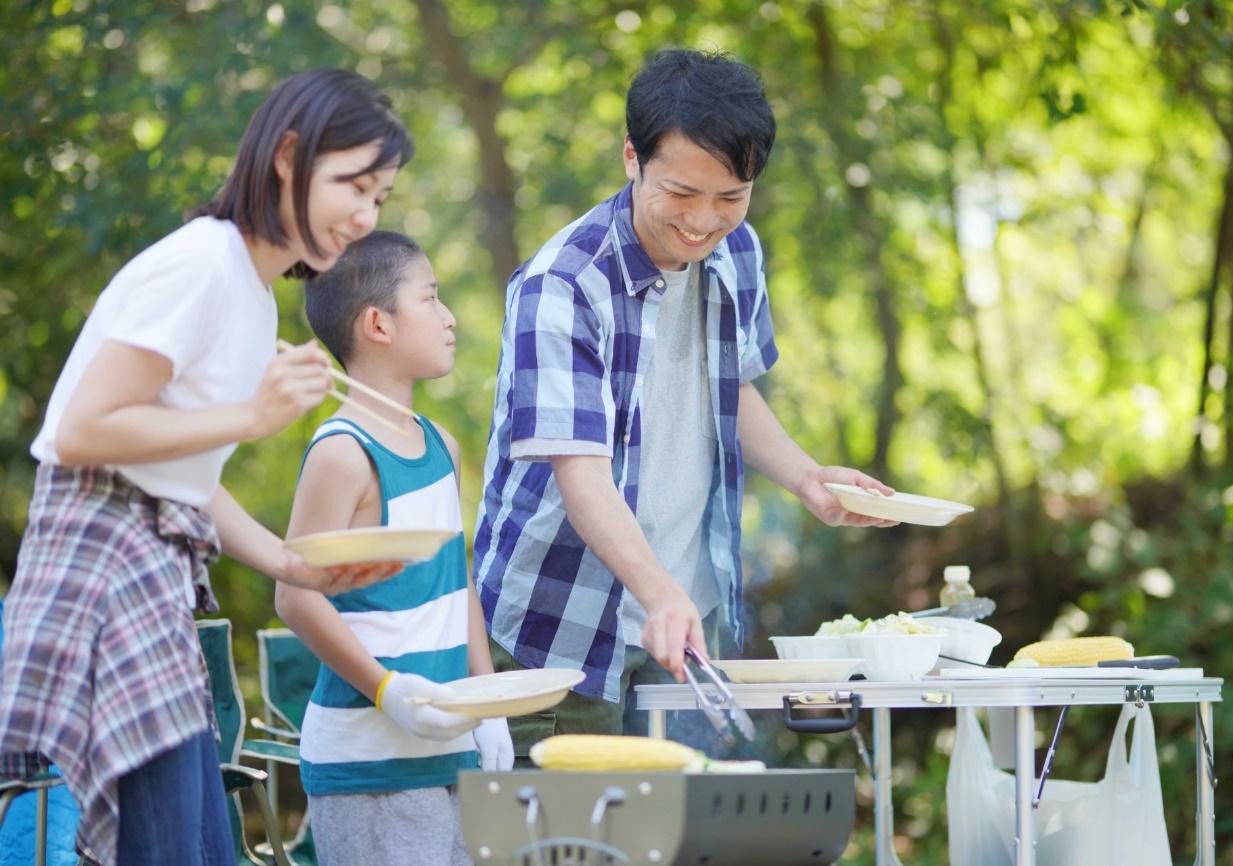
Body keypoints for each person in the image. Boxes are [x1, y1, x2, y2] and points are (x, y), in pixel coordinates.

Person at [0, 68, 414, 866]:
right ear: (288, 157)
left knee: (193, 843)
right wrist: (254, 417)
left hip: (148, 576)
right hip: (102, 567)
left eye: (381, 197)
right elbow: (83, 430)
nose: (363, 217)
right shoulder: (201, 264)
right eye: (353, 186)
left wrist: (295, 565)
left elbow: (183, 471)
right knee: (172, 847)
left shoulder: (252, 297)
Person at [472, 48, 896, 759]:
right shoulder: (562, 286)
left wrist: (806, 476)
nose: (704, 221)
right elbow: (580, 473)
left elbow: (730, 388)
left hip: (686, 620)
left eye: (731, 197)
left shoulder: (737, 252)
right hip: (561, 625)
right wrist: (656, 590)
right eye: (682, 193)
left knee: (692, 834)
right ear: (632, 159)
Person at [277, 230, 513, 866]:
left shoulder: (441, 444)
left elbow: (454, 578)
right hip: (368, 763)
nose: (449, 316)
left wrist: (487, 704)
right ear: (378, 323)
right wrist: (388, 692)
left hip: (452, 749)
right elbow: (295, 597)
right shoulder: (342, 452)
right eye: (431, 298)